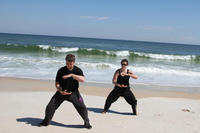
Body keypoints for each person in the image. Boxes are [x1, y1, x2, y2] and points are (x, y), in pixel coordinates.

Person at [39, 54, 92, 129]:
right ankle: (46, 121)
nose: (68, 65)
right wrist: (60, 90)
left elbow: (82, 79)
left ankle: (87, 123)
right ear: (65, 61)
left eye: (70, 64)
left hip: (74, 93)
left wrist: (72, 75)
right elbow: (57, 83)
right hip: (61, 92)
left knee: (82, 107)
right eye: (67, 63)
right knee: (50, 106)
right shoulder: (61, 70)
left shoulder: (77, 70)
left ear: (74, 62)